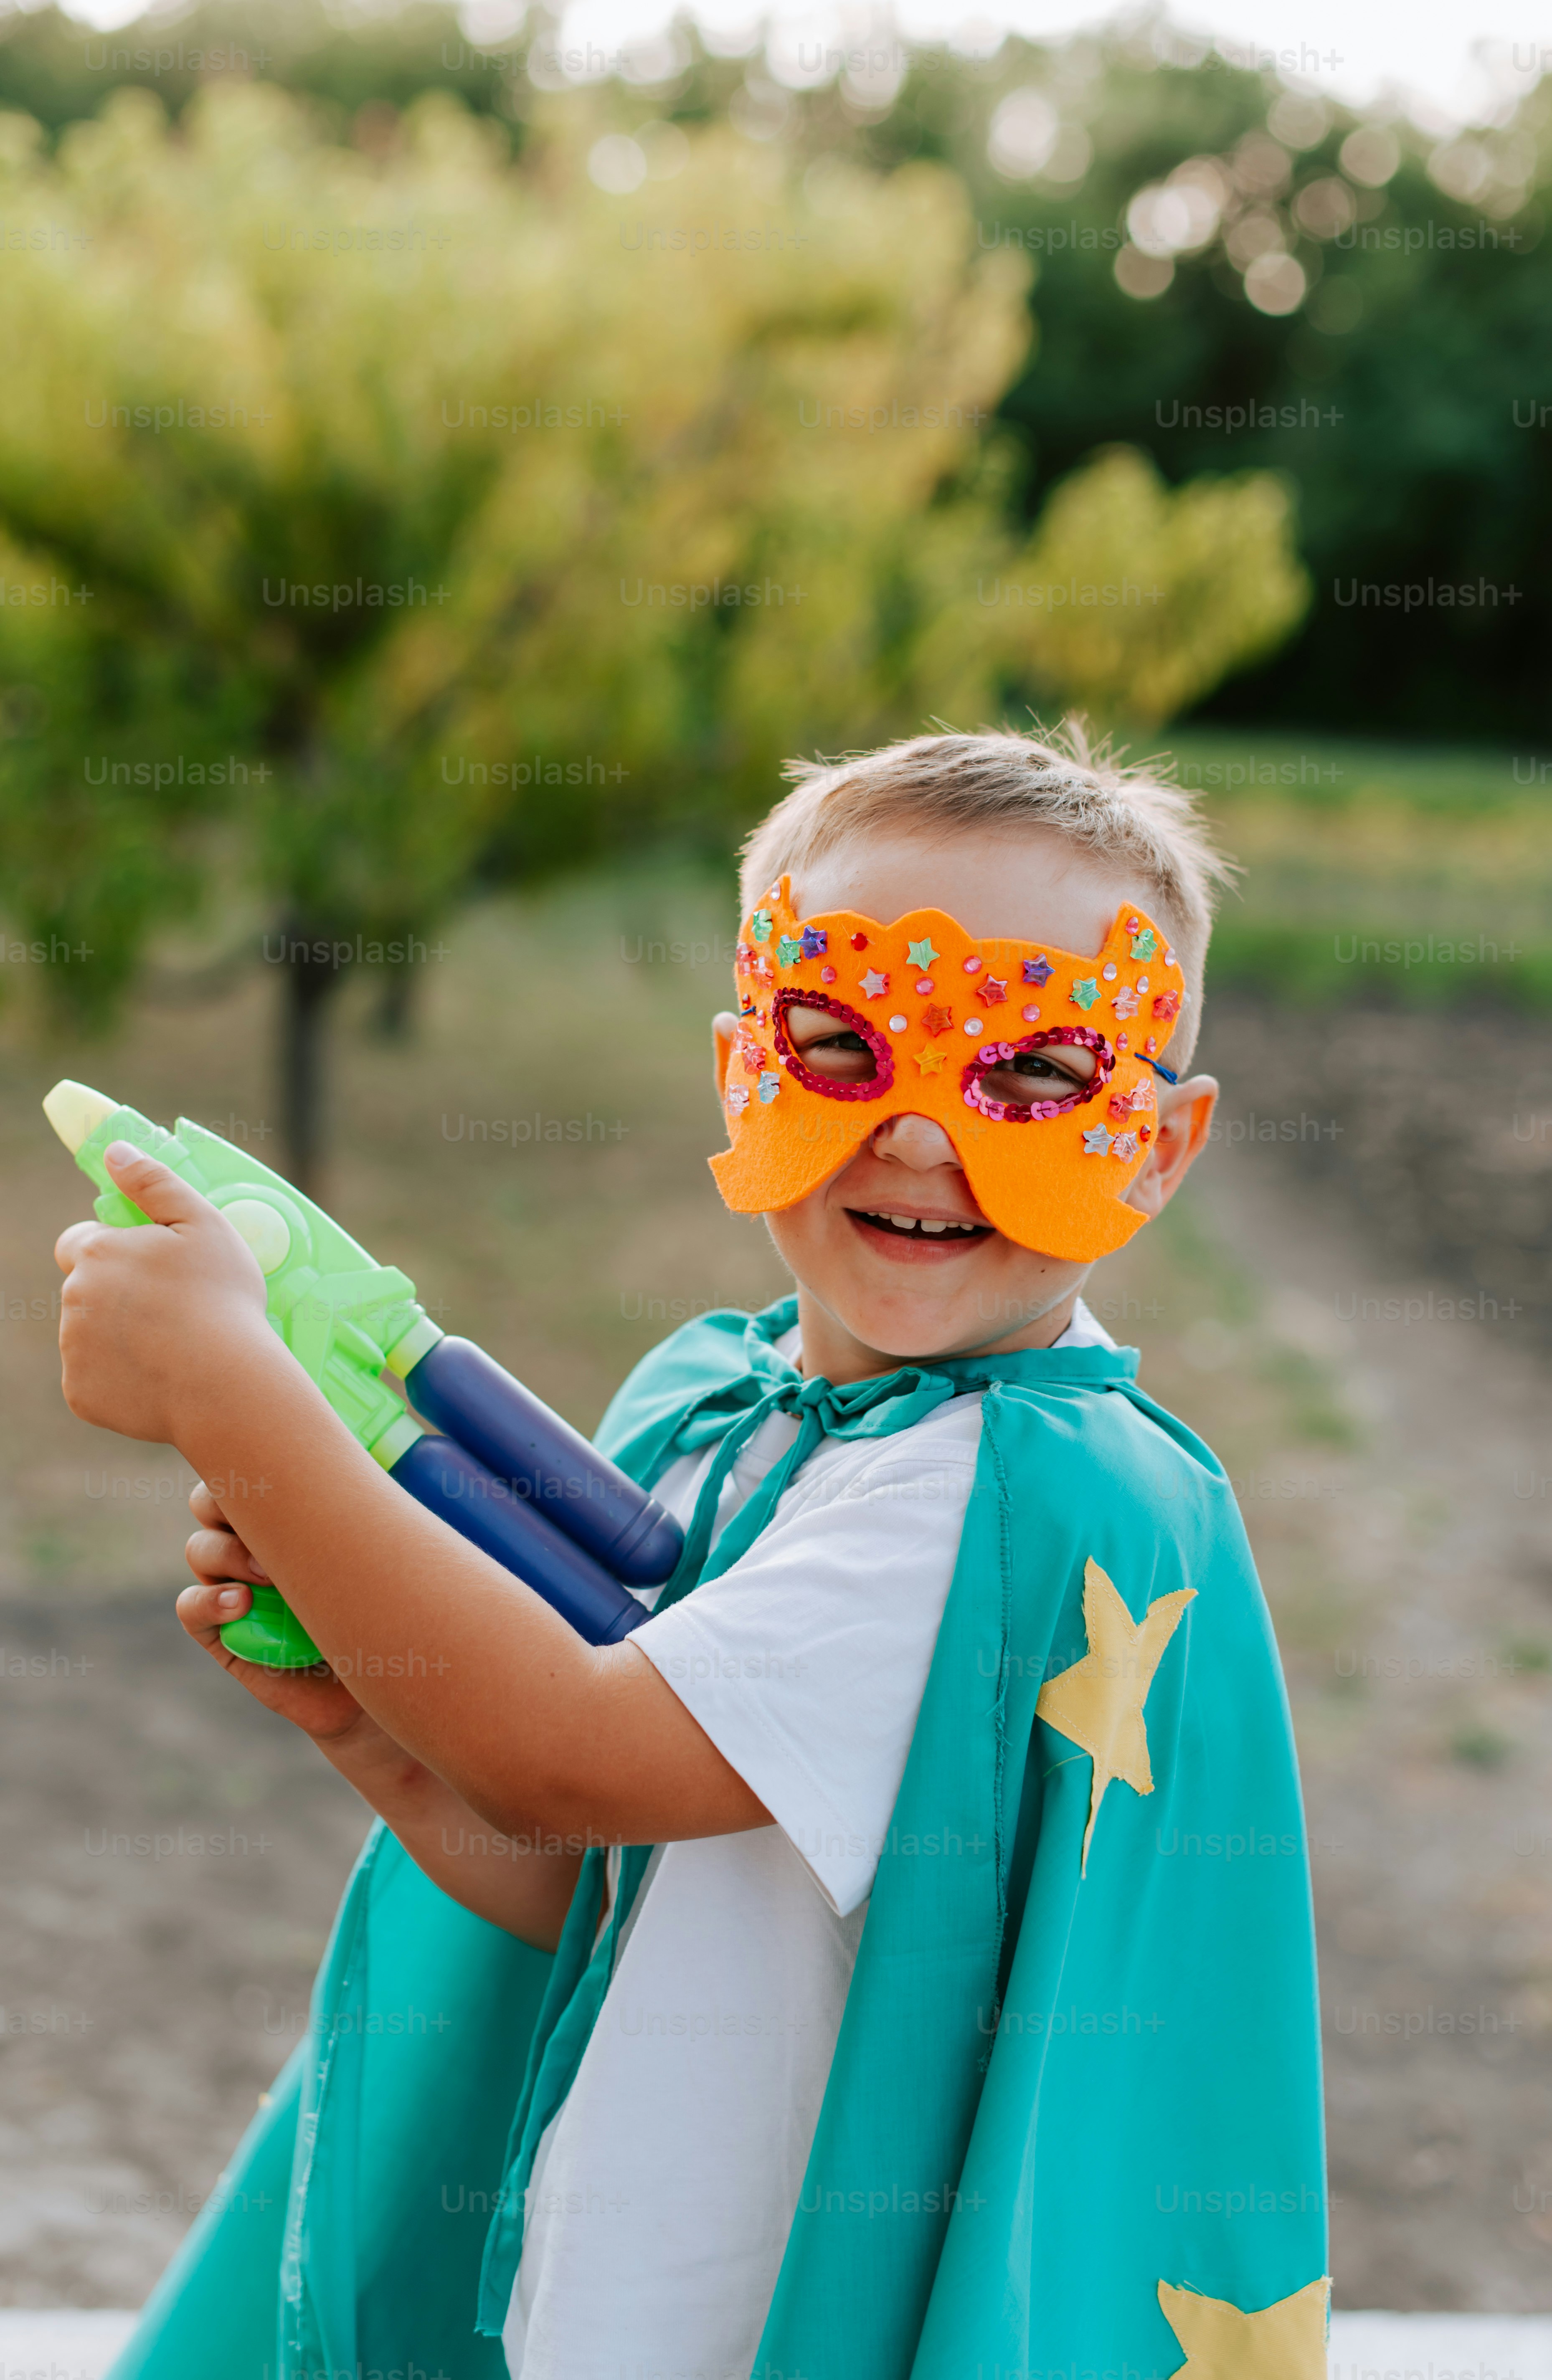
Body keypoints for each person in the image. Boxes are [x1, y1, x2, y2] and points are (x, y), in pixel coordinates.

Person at [57, 725, 1329, 2380]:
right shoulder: (718, 1408)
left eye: (1031, 1073)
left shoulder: (1000, 1500)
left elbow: (564, 1752)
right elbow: (591, 1874)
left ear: (1157, 1140)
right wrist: (377, 1735)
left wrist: (238, 1397)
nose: (927, 1137)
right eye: (841, 1043)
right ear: (744, 1066)